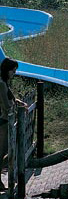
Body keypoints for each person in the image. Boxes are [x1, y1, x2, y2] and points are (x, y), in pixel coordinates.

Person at [0, 58, 27, 191]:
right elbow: (6, 104)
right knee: (2, 151)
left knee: (5, 151)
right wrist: (15, 110)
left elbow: (10, 97)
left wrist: (18, 102)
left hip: (5, 120)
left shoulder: (5, 82)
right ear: (7, 70)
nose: (14, 73)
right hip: (3, 121)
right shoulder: (1, 83)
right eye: (13, 70)